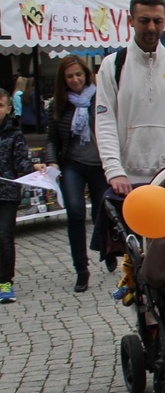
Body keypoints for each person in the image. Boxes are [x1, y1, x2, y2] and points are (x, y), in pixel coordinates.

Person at [95, 0, 165, 195]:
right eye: (144, 20)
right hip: (127, 180)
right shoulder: (113, 66)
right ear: (131, 21)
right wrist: (114, 170)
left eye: (157, 21)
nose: (151, 27)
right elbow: (105, 121)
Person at [45, 55, 111, 293]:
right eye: (70, 76)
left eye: (78, 75)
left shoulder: (101, 97)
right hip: (73, 163)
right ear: (63, 79)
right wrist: (51, 161)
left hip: (100, 164)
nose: (75, 80)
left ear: (86, 74)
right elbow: (51, 138)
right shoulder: (59, 103)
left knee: (103, 214)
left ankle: (108, 248)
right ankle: (81, 269)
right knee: (74, 211)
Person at [0, 88, 46, 304]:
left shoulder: (14, 133)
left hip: (7, 194)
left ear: (8, 108)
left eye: (0, 106)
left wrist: (34, 167)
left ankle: (5, 282)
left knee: (4, 236)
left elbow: (21, 163)